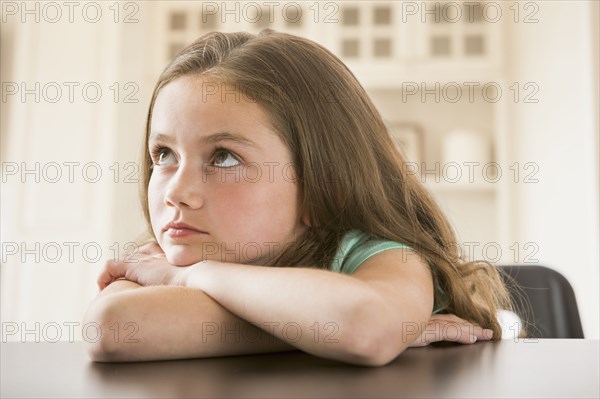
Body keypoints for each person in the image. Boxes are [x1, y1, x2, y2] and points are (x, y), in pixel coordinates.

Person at [84, 30, 513, 366]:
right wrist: (321, 333)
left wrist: (189, 279)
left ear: (325, 186)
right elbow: (112, 327)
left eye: (224, 158)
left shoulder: (378, 257)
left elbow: (365, 324)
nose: (177, 192)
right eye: (164, 155)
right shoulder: (167, 255)